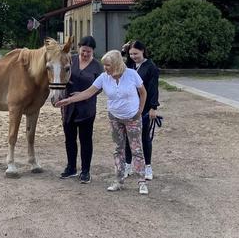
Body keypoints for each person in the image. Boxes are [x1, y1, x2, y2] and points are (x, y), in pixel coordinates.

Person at [55, 50, 149, 195]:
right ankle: (118, 180)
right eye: (104, 65)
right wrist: (69, 100)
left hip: (132, 118)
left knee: (136, 149)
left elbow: (143, 92)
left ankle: (141, 181)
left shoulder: (131, 74)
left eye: (108, 65)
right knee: (118, 149)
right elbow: (88, 92)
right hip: (115, 117)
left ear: (117, 64)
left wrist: (140, 110)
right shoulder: (104, 78)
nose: (105, 68)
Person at [59, 36, 103, 184]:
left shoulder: (97, 66)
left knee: (85, 140)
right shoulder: (71, 60)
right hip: (68, 107)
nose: (85, 54)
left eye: (88, 52)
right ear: (79, 48)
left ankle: (85, 171)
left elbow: (100, 87)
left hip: (86, 109)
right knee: (69, 139)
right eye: (83, 51)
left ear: (93, 51)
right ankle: (71, 167)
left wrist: (84, 94)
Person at [122, 40, 160, 181]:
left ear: (143, 51)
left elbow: (153, 88)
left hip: (144, 108)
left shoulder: (151, 67)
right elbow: (118, 66)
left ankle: (147, 167)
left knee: (144, 138)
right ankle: (127, 165)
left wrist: (153, 107)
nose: (133, 56)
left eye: (136, 53)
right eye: (131, 53)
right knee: (128, 137)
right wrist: (123, 52)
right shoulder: (130, 65)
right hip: (129, 107)